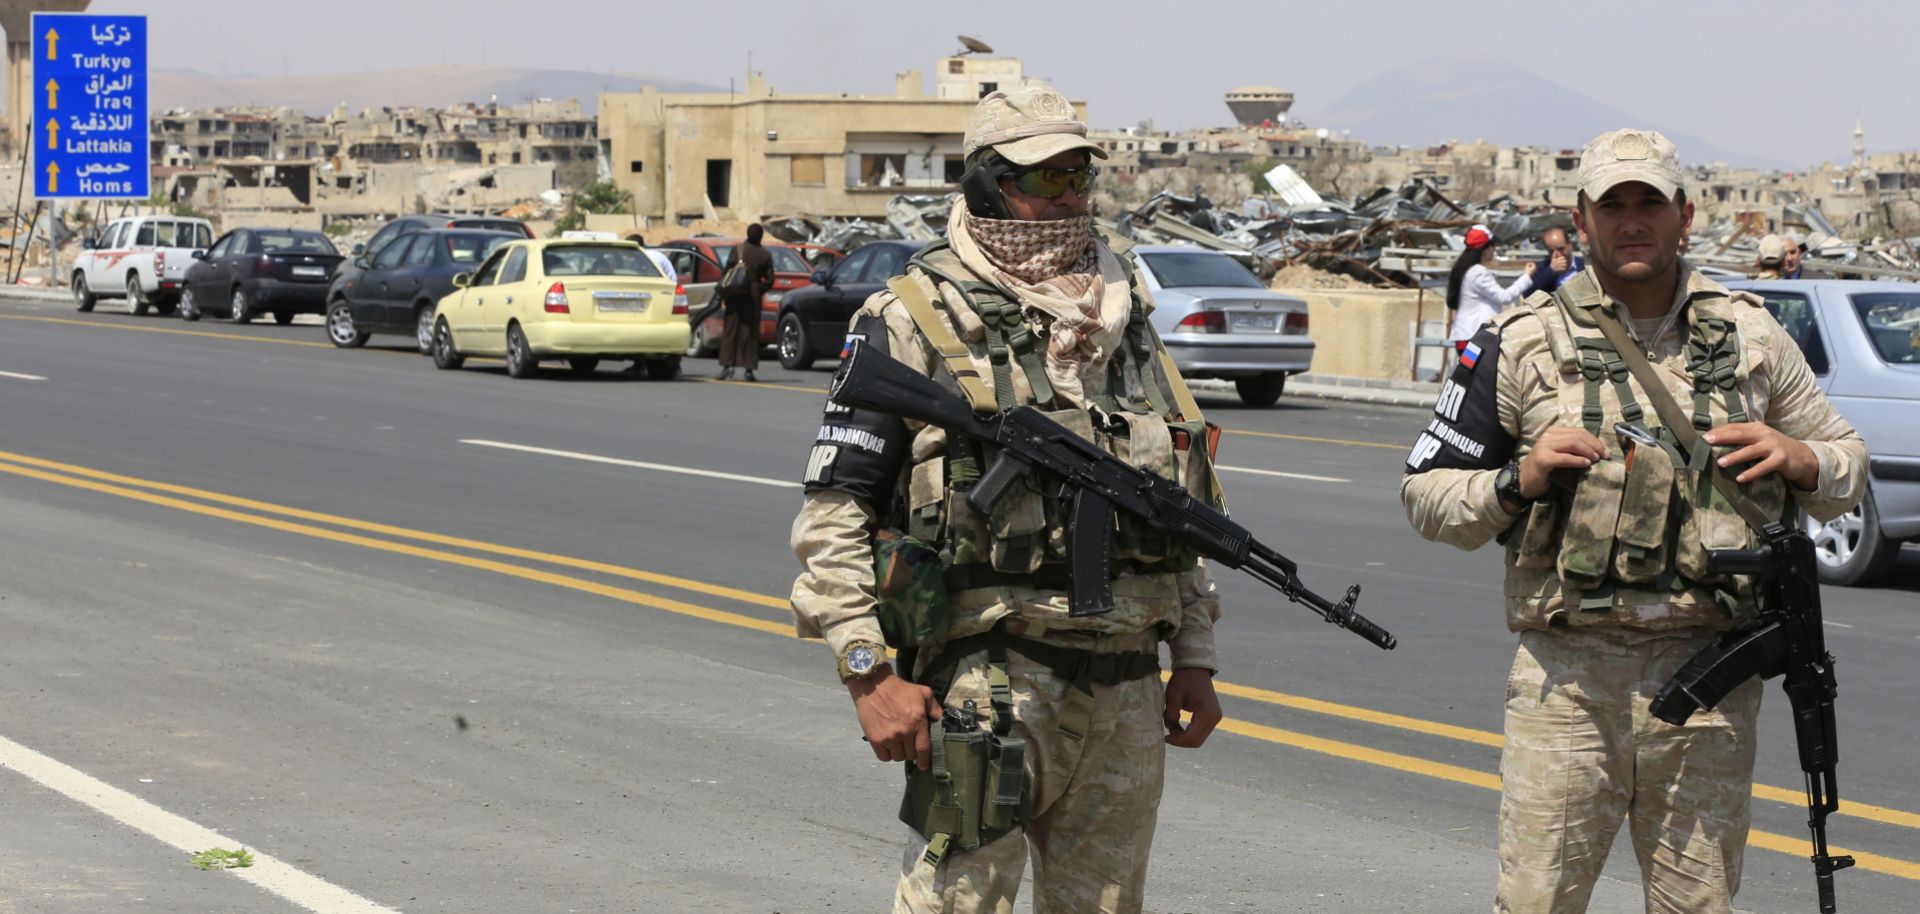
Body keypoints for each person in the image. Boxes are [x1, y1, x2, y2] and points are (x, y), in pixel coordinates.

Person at [1400, 128, 1867, 914]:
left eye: (1650, 202)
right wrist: (1520, 478)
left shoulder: (1751, 335)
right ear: (1581, 221)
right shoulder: (1521, 342)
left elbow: (1844, 467)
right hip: (1567, 688)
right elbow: (1427, 496)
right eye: (1611, 205)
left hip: (1708, 691)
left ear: (1684, 214)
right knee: (1536, 903)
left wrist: (1800, 457)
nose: (1632, 220)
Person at [788, 83, 1225, 914]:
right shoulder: (912, 317)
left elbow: (1177, 506)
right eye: (1044, 179)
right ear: (989, 185)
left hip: (1126, 691)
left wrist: (1194, 657)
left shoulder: (1123, 319)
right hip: (985, 691)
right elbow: (834, 514)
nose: (1068, 198)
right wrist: (864, 671)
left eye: (1078, 178)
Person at [1446, 223, 1537, 353]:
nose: (1494, 250)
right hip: (1475, 339)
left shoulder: (1466, 269)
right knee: (1477, 372)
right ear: (1485, 249)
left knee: (1472, 372)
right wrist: (1527, 276)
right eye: (1493, 246)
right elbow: (1504, 297)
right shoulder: (1478, 272)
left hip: (1469, 338)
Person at [717, 224, 774, 381]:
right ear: (761, 236)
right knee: (750, 333)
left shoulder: (738, 249)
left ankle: (727, 367)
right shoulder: (765, 255)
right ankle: (749, 370)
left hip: (735, 294)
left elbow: (727, 271)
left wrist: (724, 293)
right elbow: (770, 280)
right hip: (753, 297)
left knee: (731, 330)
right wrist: (758, 289)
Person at [1529, 226, 1585, 294]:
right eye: (1551, 251)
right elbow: (1527, 293)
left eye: (1560, 249)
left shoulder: (1584, 265)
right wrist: (1551, 271)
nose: (1557, 254)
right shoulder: (1541, 269)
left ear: (1570, 245)